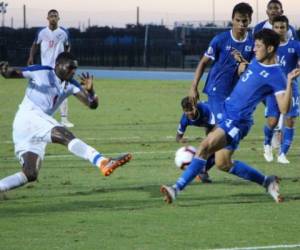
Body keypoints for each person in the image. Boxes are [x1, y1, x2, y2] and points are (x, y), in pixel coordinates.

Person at [160, 29, 300, 204]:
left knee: (204, 147)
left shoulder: (277, 75)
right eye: (254, 45)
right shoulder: (256, 61)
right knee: (223, 163)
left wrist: (288, 82)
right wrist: (241, 63)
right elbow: (249, 77)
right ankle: (267, 181)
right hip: (227, 112)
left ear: (270, 48)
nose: (254, 49)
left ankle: (176, 189)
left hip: (237, 121)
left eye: (258, 46)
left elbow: (284, 107)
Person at [0, 52, 132, 194]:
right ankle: (102, 161)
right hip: (28, 117)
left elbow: (92, 104)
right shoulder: (42, 72)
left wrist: (91, 91)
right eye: (70, 67)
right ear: (58, 65)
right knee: (64, 133)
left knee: (30, 173)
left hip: (35, 127)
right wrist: (4, 68)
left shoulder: (70, 84)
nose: (73, 71)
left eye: (75, 68)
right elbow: (12, 73)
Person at [190, 2, 254, 123]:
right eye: (238, 20)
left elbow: (253, 67)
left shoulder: (253, 43)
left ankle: (211, 139)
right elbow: (203, 62)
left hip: (237, 91)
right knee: (223, 124)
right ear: (232, 19)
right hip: (217, 90)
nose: (241, 24)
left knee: (232, 125)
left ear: (250, 20)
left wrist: (243, 64)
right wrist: (194, 86)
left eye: (244, 21)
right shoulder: (220, 40)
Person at [27, 9, 74, 128]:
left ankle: (64, 120)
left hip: (59, 68)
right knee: (45, 93)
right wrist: (31, 57)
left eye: (55, 16)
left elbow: (68, 46)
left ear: (58, 19)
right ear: (47, 18)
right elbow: (35, 45)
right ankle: (42, 117)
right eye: (51, 16)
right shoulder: (42, 32)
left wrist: (66, 60)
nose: (53, 17)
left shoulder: (63, 32)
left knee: (62, 91)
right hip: (45, 68)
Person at [263, 15, 300, 164]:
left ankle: (282, 154)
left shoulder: (296, 45)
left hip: (292, 87)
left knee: (290, 120)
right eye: (276, 27)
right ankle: (266, 144)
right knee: (272, 121)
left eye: (282, 27)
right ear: (272, 28)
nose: (279, 30)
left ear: (287, 28)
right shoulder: (268, 47)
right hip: (273, 89)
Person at [176, 97, 216, 183]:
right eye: (186, 111)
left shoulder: (206, 110)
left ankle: (201, 171)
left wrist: (208, 140)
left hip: (220, 113)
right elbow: (178, 137)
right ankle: (201, 171)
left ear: (195, 106)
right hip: (209, 124)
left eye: (191, 110)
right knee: (212, 148)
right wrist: (181, 140)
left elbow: (215, 127)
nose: (189, 113)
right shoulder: (185, 119)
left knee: (216, 146)